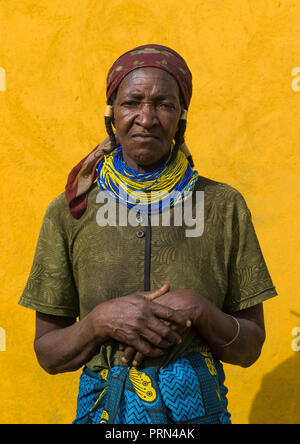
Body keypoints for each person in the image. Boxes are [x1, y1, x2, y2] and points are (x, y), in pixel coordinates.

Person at [19, 44, 277, 424]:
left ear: (181, 116)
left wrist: (201, 310)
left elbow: (250, 347)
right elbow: (48, 354)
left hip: (198, 413)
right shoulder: (69, 211)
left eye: (164, 104)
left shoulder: (223, 206)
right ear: (112, 114)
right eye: (132, 102)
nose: (146, 117)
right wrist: (100, 321)